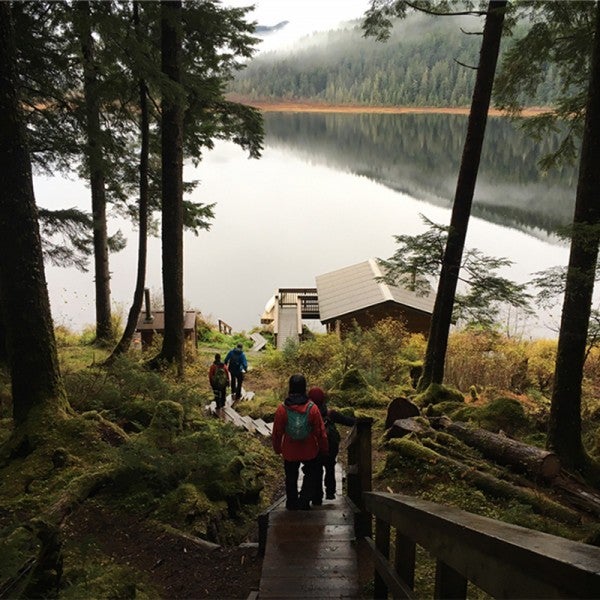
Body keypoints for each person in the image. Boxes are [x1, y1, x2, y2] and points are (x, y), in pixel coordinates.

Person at [272, 374, 329, 510]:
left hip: (289, 449)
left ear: (290, 387)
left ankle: (291, 502)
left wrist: (277, 448)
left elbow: (277, 432)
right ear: (304, 388)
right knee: (311, 473)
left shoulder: (282, 409)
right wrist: (324, 449)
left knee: (291, 476)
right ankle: (304, 500)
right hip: (308, 449)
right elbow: (320, 432)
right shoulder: (312, 408)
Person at [308, 386, 356, 503]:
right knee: (330, 468)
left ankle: (317, 496)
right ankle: (330, 493)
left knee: (317, 470)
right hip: (330, 447)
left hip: (314, 447)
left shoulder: (308, 414)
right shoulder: (331, 414)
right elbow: (349, 421)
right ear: (323, 399)